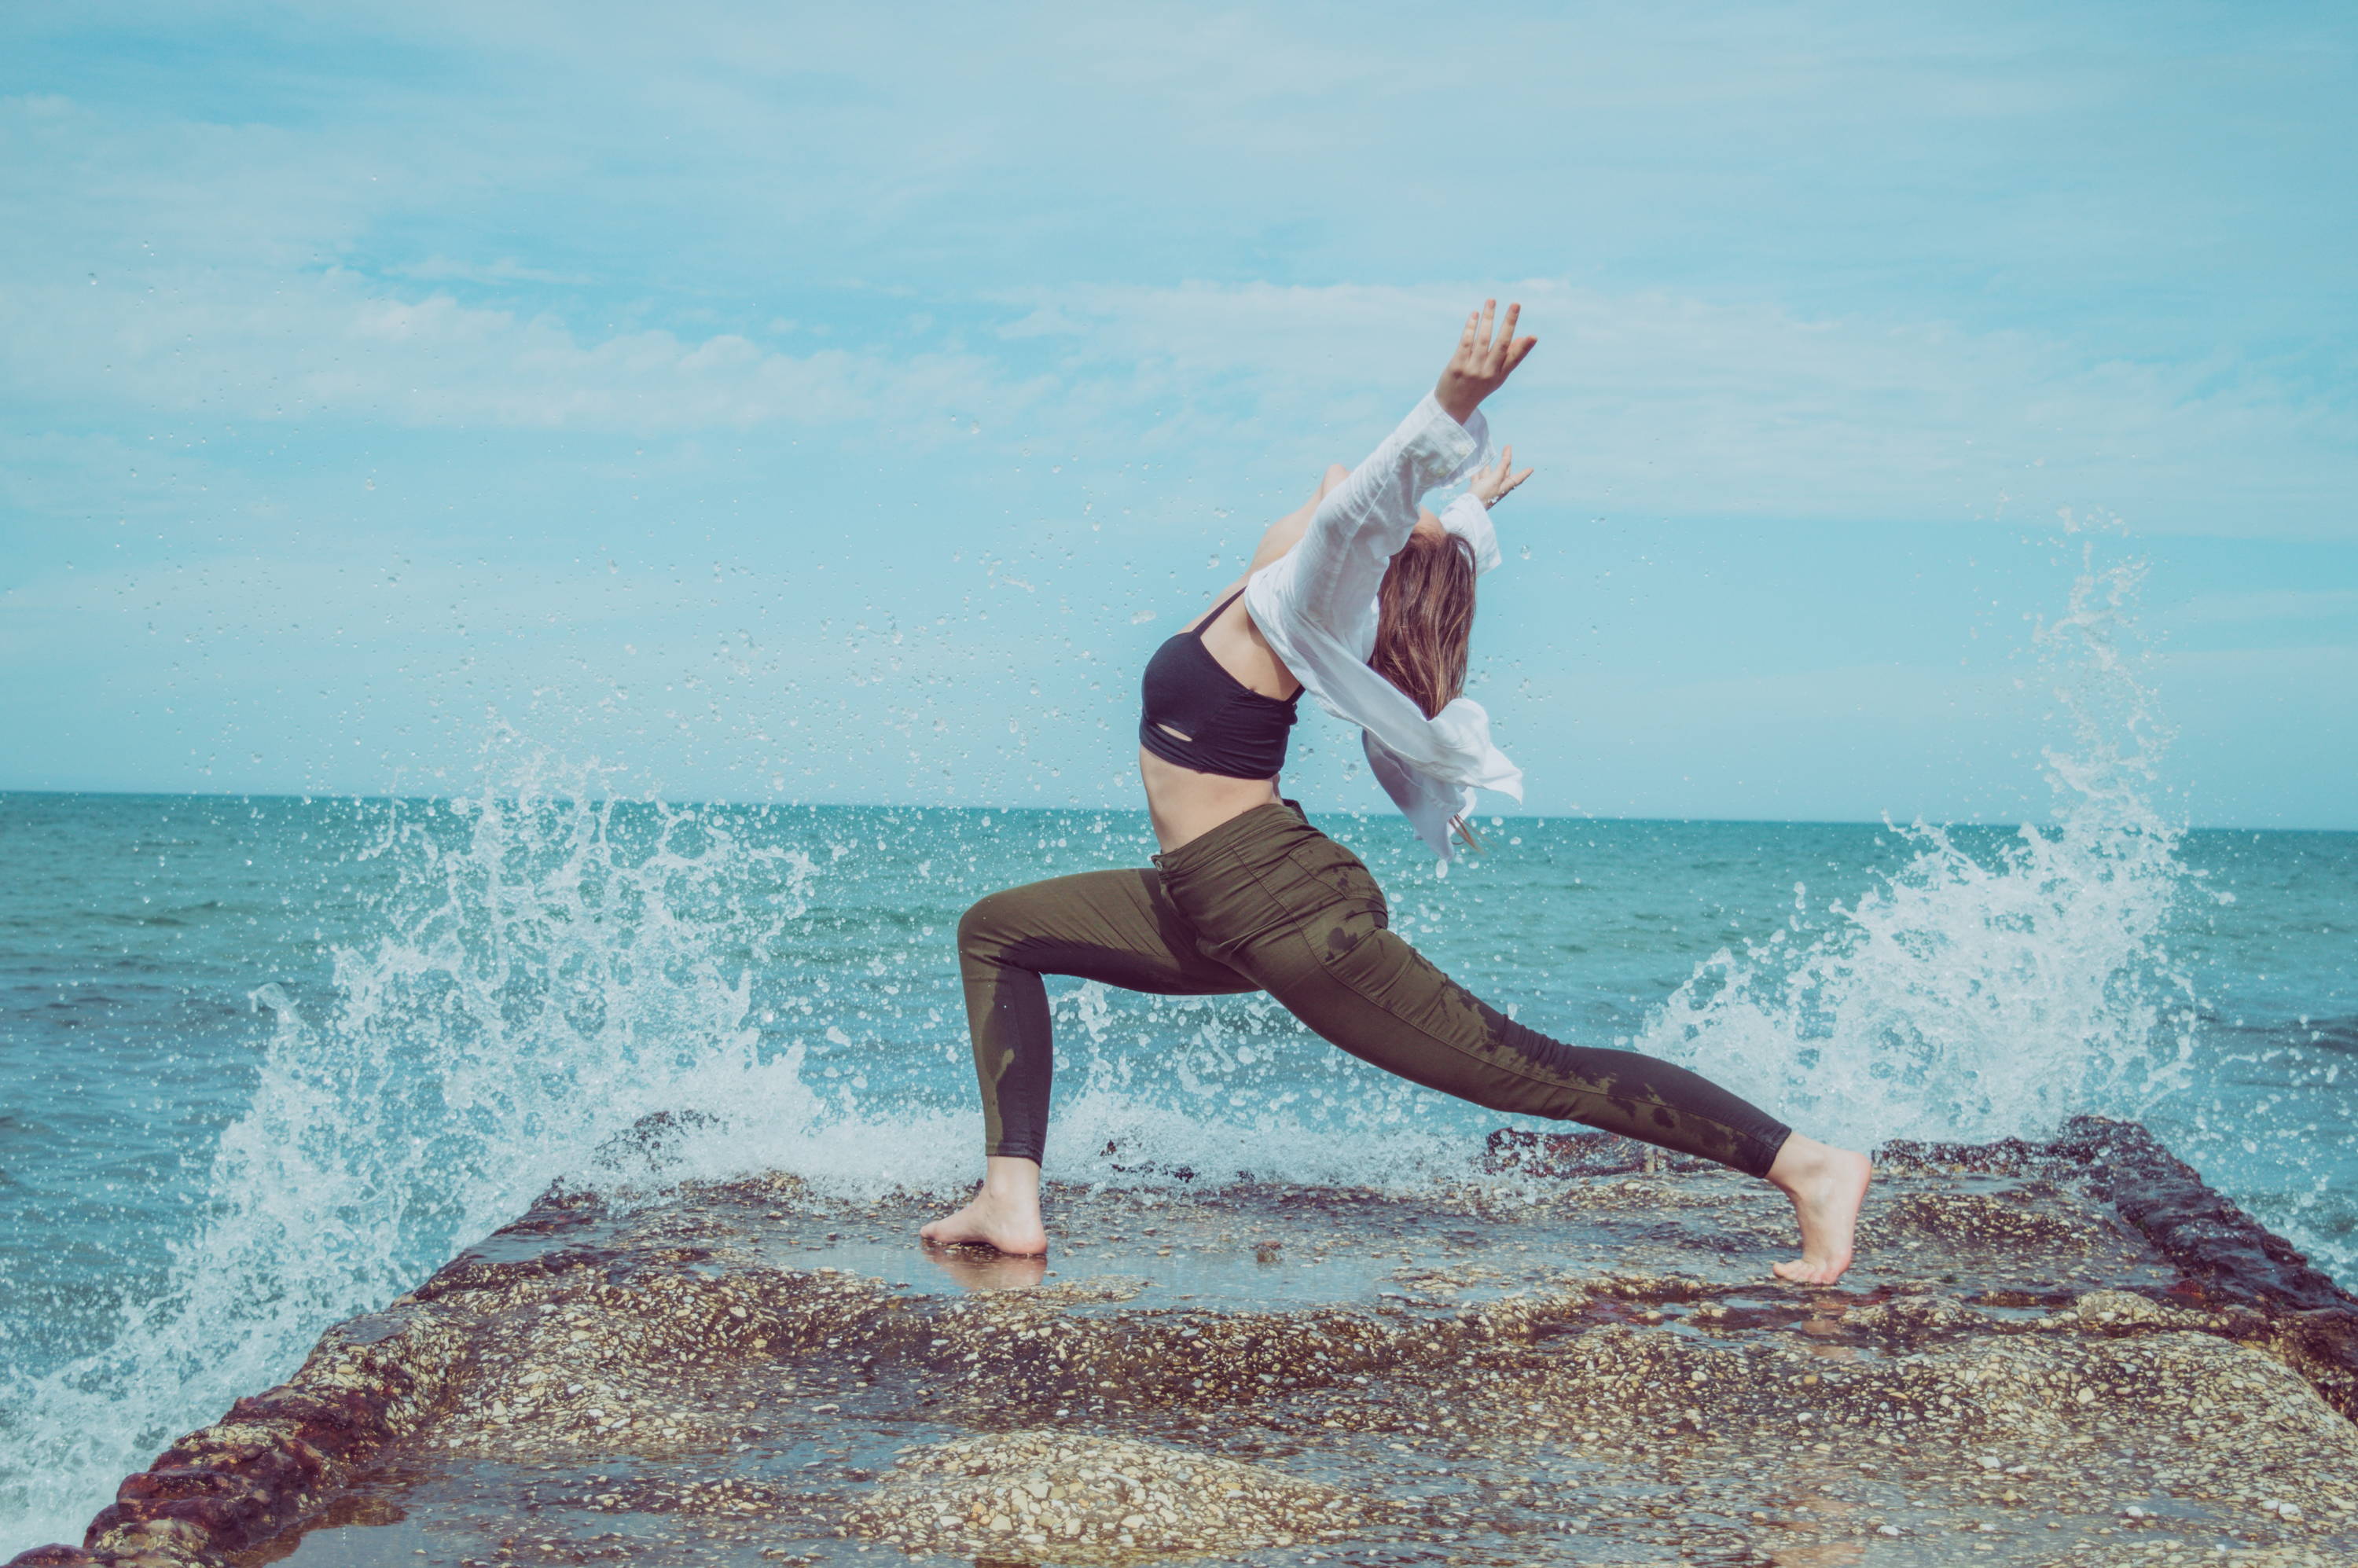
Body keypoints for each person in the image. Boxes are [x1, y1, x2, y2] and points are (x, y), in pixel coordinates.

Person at [924, 303, 1871, 1285]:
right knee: (997, 929)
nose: (1368, 510)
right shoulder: (1268, 584)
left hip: (1279, 908)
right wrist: (1469, 512)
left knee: (1524, 1066)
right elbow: (1383, 519)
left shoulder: (1304, 595)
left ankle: (1807, 1164)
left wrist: (1454, 404)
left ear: (1370, 566)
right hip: (1213, 893)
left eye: (1390, 533)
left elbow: (1365, 508)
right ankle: (1010, 1198)